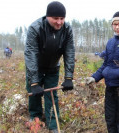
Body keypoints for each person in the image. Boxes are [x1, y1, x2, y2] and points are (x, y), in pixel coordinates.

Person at [24, 1, 75, 132]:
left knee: (52, 94)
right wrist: (34, 82)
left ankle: (53, 124)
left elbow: (69, 52)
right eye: (55, 18)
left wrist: (69, 77)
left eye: (62, 18)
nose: (59, 22)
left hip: (53, 67)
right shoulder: (35, 28)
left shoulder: (67, 30)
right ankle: (35, 118)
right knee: (34, 94)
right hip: (36, 66)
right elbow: (31, 54)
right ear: (47, 17)